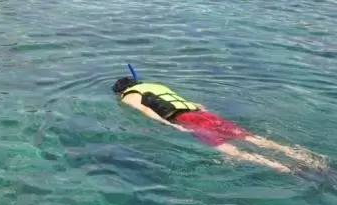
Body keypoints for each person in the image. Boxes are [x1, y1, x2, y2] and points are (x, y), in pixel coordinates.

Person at [112, 76, 326, 173]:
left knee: (228, 150)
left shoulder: (127, 96)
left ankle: (281, 168)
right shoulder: (156, 84)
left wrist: (171, 126)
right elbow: (196, 103)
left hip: (183, 118)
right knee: (250, 138)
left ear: (123, 90)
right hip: (201, 113)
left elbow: (147, 110)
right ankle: (302, 157)